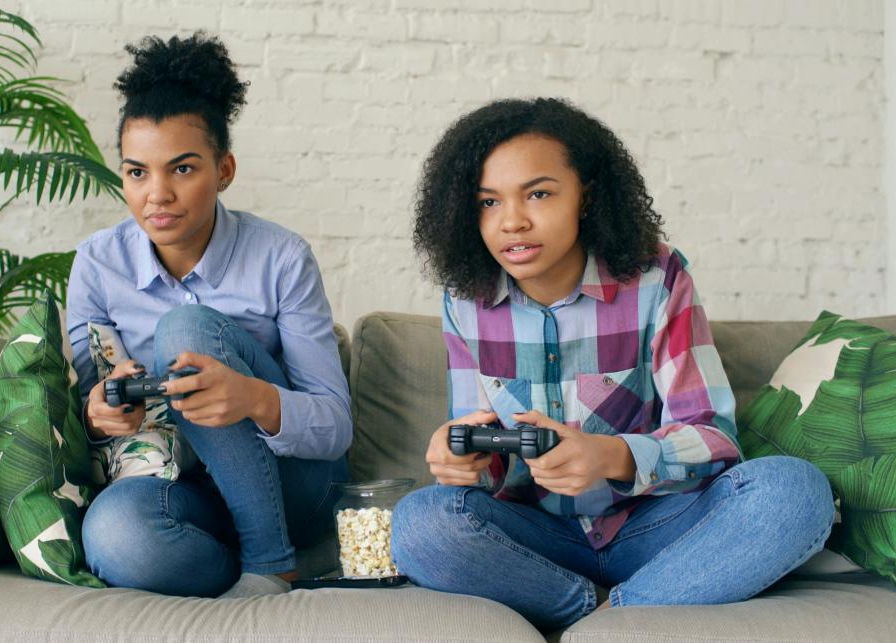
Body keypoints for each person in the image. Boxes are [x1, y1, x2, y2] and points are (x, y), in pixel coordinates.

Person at [392, 97, 835, 629]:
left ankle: (609, 625)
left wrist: (610, 456)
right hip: (539, 541)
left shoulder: (656, 277)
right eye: (488, 202)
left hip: (659, 527)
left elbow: (715, 441)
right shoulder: (466, 300)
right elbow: (486, 467)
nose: (512, 221)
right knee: (420, 522)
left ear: (586, 195)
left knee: (794, 491)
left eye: (538, 193)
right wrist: (462, 460)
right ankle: (608, 612)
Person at [67, 32, 350, 598]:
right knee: (116, 535)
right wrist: (102, 415)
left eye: (182, 169)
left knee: (185, 329)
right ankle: (232, 567)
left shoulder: (281, 257)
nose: (157, 194)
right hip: (189, 490)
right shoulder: (98, 264)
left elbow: (335, 427)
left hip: (293, 487)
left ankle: (270, 563)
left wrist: (252, 398)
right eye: (137, 172)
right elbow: (88, 409)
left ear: (224, 170)